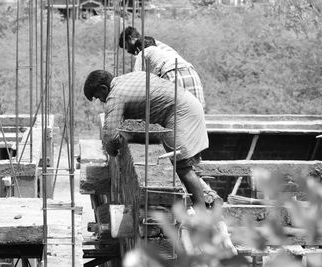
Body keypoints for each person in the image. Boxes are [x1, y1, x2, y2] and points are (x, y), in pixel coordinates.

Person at [83, 70, 220, 208]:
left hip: (181, 112)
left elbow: (110, 136)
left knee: (183, 167)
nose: (101, 101)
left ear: (103, 88)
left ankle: (202, 217)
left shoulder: (115, 96)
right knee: (180, 166)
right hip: (186, 103)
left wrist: (112, 152)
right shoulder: (127, 78)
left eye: (99, 96)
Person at [133, 36, 205, 108]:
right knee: (197, 110)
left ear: (138, 49)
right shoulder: (166, 52)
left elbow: (137, 77)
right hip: (191, 73)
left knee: (173, 112)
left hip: (172, 73)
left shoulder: (143, 52)